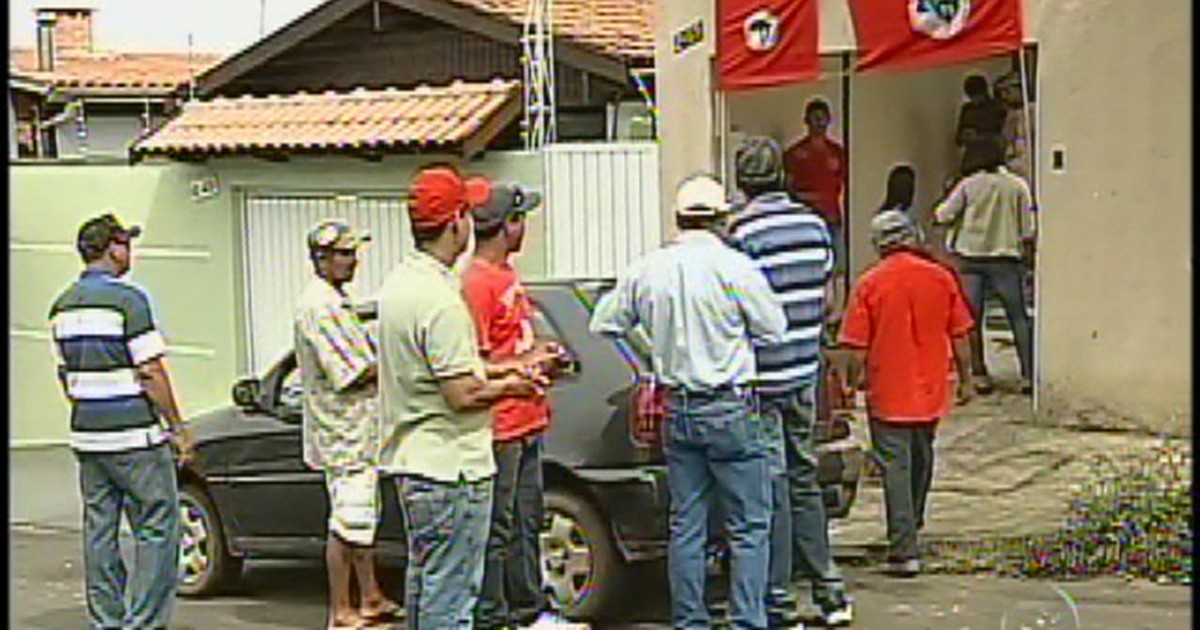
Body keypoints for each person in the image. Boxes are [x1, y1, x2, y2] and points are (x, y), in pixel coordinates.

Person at [590, 174, 787, 630]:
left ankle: (690, 620)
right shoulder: (735, 268)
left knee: (687, 524)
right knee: (749, 526)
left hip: (678, 406)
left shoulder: (648, 269)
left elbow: (606, 321)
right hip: (731, 406)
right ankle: (746, 620)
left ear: (679, 219)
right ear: (721, 219)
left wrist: (649, 355)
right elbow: (773, 328)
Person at [376, 164, 543, 629]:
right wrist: (516, 384)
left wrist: (515, 366)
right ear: (456, 224)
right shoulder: (441, 300)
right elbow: (462, 392)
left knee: (426, 586)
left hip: (415, 463)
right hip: (451, 468)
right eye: (466, 213)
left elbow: (452, 368)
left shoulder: (400, 285)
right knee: (451, 600)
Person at [729, 137, 855, 628]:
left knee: (771, 486)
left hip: (761, 379)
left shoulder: (741, 232)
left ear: (742, 183)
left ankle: (778, 600)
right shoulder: (813, 225)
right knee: (803, 480)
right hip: (804, 372)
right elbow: (826, 300)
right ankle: (830, 592)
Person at [49, 213, 193, 630]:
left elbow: (66, 377)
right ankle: (144, 622)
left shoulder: (61, 305)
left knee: (100, 530)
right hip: (135, 437)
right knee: (156, 527)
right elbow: (150, 371)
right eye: (125, 243)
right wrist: (178, 428)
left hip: (88, 436)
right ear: (112, 249)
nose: (130, 251)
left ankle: (106, 621)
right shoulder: (129, 300)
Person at [461, 182, 583, 630]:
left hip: (529, 416)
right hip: (502, 423)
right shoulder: (476, 284)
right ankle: (494, 615)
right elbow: (474, 359)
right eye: (521, 219)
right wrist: (525, 366)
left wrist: (547, 355)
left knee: (528, 520)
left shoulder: (508, 276)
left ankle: (530, 609)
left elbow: (517, 340)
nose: (525, 228)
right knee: (500, 526)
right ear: (506, 226)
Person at [838, 210, 974, 578]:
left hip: (888, 388)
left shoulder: (870, 283)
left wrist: (849, 384)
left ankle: (903, 548)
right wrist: (967, 379)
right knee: (922, 456)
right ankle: (911, 524)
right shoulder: (941, 278)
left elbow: (855, 347)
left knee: (895, 466)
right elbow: (960, 334)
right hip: (931, 387)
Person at [294, 219, 401, 630]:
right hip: (344, 433)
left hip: (359, 430)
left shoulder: (337, 301)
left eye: (353, 253)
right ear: (321, 258)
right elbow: (353, 371)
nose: (352, 261)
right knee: (347, 522)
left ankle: (370, 596)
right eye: (343, 254)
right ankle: (341, 609)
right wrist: (401, 364)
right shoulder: (319, 306)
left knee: (363, 518)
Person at [933, 138, 1036, 395]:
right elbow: (1028, 229)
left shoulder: (969, 185)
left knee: (972, 319)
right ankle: (1027, 374)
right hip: (1005, 258)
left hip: (970, 258)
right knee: (1018, 317)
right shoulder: (1017, 186)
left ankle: (979, 374)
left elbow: (943, 215)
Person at [784, 98, 848, 303]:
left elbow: (841, 184)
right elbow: (790, 189)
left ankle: (836, 310)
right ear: (806, 121)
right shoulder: (795, 154)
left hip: (832, 217)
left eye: (823, 119)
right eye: (815, 119)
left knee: (838, 266)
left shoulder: (838, 153)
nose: (819, 124)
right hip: (806, 220)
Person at [954, 74, 1007, 175]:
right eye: (971, 97)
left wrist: (980, 137)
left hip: (992, 160)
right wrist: (964, 135)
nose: (974, 100)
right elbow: (958, 139)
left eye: (976, 96)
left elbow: (1004, 136)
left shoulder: (997, 108)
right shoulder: (967, 110)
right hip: (972, 161)